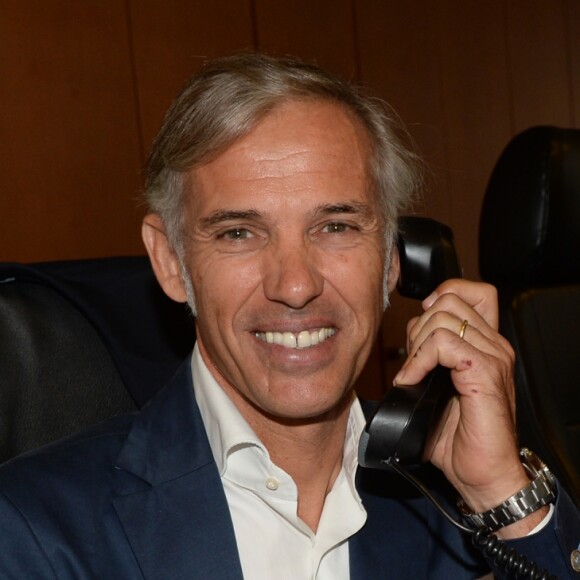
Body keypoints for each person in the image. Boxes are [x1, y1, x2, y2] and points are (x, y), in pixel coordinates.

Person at [0, 53, 577, 579]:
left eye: (336, 227)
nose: (296, 286)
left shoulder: (457, 506)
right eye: (239, 233)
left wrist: (502, 496)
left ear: (392, 260)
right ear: (172, 261)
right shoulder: (33, 529)